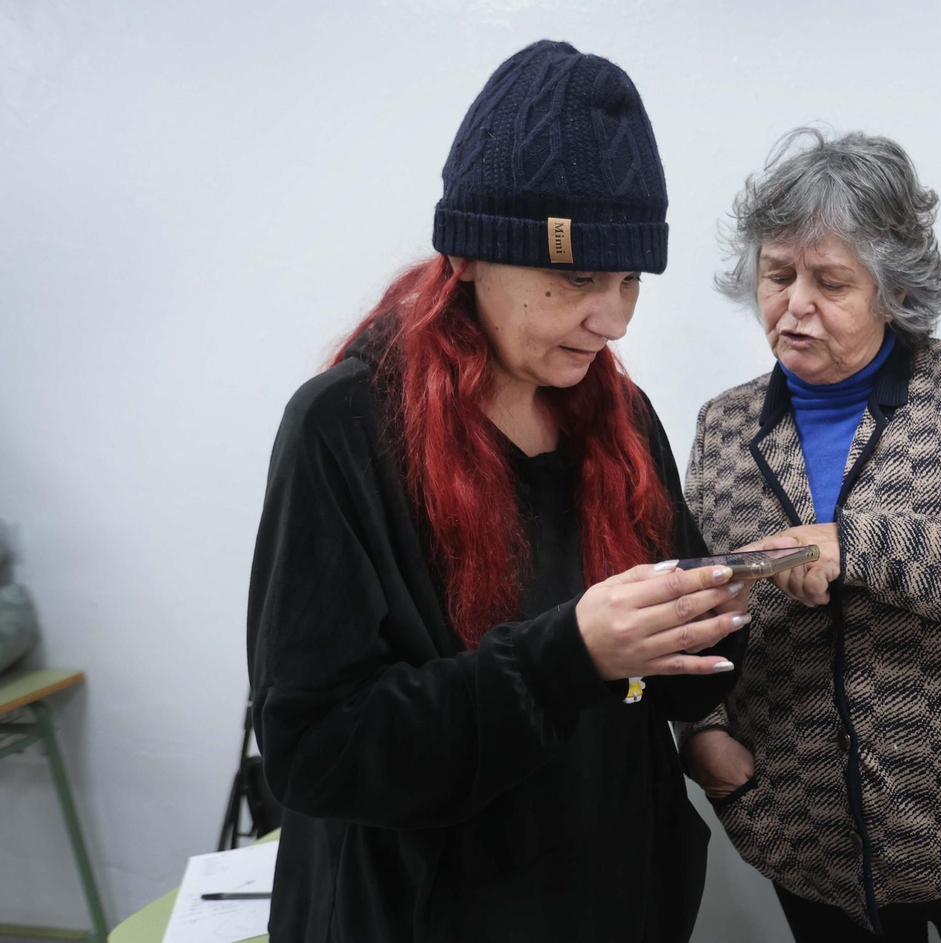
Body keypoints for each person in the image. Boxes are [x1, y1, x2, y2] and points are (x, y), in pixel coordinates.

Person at [246, 41, 751, 942]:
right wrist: (570, 654)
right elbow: (316, 751)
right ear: (470, 256)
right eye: (575, 279)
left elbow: (662, 695)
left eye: (630, 279)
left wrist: (712, 621)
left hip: (611, 896)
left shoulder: (620, 419)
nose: (613, 319)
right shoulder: (349, 429)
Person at [676, 128, 941, 943]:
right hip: (812, 846)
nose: (793, 304)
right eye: (777, 275)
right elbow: (703, 607)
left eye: (830, 281)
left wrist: (860, 544)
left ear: (895, 291)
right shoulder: (723, 427)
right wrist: (701, 732)